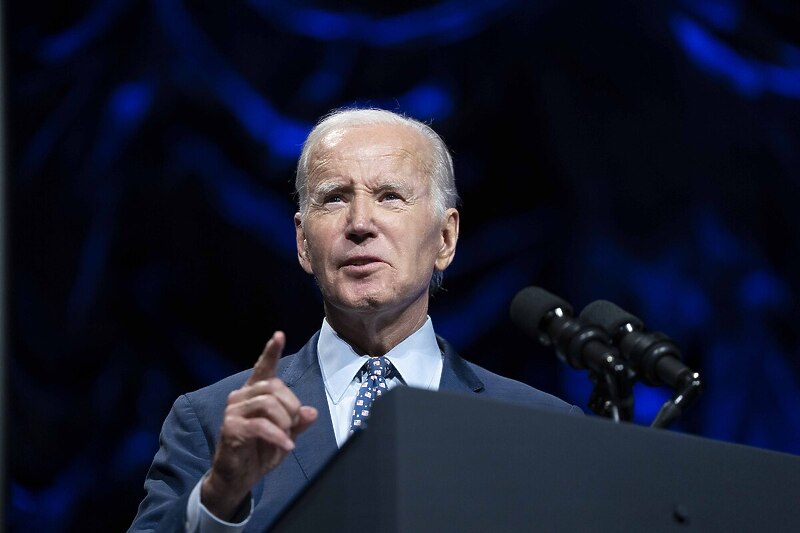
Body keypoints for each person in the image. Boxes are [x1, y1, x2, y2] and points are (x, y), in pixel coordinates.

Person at [129, 108, 581, 532]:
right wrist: (219, 497)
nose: (360, 222)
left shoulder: (542, 426)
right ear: (304, 243)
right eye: (334, 198)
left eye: (390, 196)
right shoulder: (209, 422)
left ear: (445, 238)